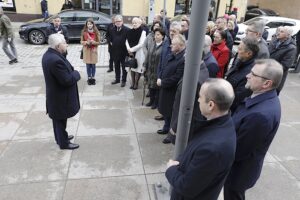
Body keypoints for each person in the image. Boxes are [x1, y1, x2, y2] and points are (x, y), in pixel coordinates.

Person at [166, 78, 236, 200]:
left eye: (200, 97)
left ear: (210, 105)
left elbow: (187, 187)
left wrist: (170, 169)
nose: (198, 100)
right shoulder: (221, 124)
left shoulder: (212, 149)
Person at [224, 59, 283, 200]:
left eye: (253, 74)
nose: (247, 76)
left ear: (267, 83)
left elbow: (238, 151)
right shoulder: (262, 97)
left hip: (238, 174)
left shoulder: (260, 116)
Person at [41, 33, 80, 150]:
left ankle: (61, 137)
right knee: (60, 120)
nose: (66, 44)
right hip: (59, 97)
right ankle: (63, 143)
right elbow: (67, 80)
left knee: (58, 120)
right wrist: (76, 74)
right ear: (58, 46)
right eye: (64, 43)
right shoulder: (55, 60)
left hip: (56, 95)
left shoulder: (50, 54)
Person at [156, 34, 186, 135]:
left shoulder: (182, 59)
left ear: (181, 45)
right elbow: (164, 67)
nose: (170, 46)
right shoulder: (173, 54)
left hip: (172, 91)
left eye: (173, 44)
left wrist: (163, 82)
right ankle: (166, 127)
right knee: (165, 111)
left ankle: (170, 133)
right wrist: (160, 76)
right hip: (165, 88)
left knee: (171, 113)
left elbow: (177, 77)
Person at [226, 37, 259, 113]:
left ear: (249, 54)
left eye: (240, 49)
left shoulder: (250, 73)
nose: (237, 51)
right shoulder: (241, 61)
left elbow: (237, 99)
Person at [268, 26, 296, 94]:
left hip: (276, 76)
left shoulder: (291, 48)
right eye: (279, 31)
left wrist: (269, 68)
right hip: (266, 72)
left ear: (288, 35)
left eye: (282, 32)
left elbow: (285, 65)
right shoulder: (274, 40)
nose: (278, 33)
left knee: (271, 95)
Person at [143, 28, 165, 109]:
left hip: (157, 70)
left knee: (156, 88)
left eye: (158, 35)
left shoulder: (164, 46)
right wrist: (145, 66)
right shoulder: (152, 44)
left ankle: (156, 103)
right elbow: (148, 56)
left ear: (162, 36)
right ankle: (151, 101)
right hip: (150, 69)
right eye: (155, 34)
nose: (156, 36)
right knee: (150, 86)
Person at [125, 17, 147, 89]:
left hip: (139, 53)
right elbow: (126, 41)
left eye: (136, 23)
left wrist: (132, 50)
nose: (134, 24)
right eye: (133, 22)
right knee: (132, 68)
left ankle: (136, 84)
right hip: (131, 52)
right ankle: (133, 83)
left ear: (140, 23)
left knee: (138, 68)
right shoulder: (129, 31)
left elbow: (141, 44)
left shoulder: (143, 32)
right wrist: (128, 49)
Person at [110, 15, 129, 87]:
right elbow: (109, 37)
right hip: (115, 51)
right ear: (114, 22)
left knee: (124, 67)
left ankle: (123, 80)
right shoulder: (112, 29)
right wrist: (111, 43)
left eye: (119, 21)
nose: (118, 23)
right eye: (116, 21)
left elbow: (129, 41)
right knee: (117, 66)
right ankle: (117, 79)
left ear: (122, 22)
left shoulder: (127, 30)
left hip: (124, 52)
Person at [80, 18, 100, 85]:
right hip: (87, 51)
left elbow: (99, 42)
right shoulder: (84, 32)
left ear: (93, 24)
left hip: (93, 51)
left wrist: (93, 42)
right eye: (88, 24)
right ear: (86, 25)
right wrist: (86, 42)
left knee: (93, 65)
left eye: (91, 24)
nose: (89, 25)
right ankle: (89, 78)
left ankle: (93, 78)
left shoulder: (96, 32)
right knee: (88, 65)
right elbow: (81, 41)